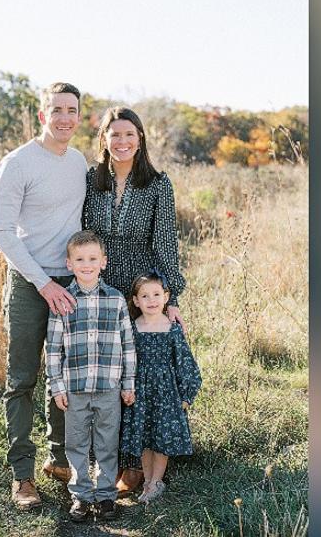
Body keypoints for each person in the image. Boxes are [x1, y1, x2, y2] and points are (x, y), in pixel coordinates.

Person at [0, 82, 87, 510]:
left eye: (72, 110)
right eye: (57, 109)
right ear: (41, 114)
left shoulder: (80, 161)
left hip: (69, 285)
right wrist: (42, 283)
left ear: (79, 116)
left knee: (64, 378)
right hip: (31, 285)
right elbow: (3, 233)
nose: (64, 117)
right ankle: (22, 477)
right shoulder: (18, 163)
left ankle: (60, 461)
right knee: (23, 379)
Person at [81, 106, 186, 494]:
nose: (122, 142)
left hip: (140, 288)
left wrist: (171, 296)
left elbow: (164, 245)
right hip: (100, 284)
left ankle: (137, 465)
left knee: (140, 375)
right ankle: (101, 461)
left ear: (140, 139)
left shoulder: (158, 184)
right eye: (115, 134)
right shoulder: (91, 180)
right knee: (104, 373)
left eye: (130, 134)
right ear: (103, 139)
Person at [45, 231, 136, 522]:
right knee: (77, 444)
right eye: (80, 259)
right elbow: (53, 348)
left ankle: (106, 495)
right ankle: (82, 495)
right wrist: (57, 387)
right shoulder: (63, 301)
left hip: (109, 386)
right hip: (75, 387)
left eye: (93, 258)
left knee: (108, 442)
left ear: (104, 262)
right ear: (69, 264)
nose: (87, 264)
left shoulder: (116, 300)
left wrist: (128, 383)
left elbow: (128, 345)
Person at [119, 271, 202, 504]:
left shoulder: (172, 328)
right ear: (136, 301)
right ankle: (147, 480)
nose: (151, 300)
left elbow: (185, 362)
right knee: (144, 436)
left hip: (166, 393)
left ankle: (157, 481)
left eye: (156, 294)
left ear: (166, 297)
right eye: (145, 296)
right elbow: (126, 360)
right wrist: (126, 387)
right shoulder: (133, 328)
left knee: (161, 437)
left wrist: (186, 395)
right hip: (140, 391)